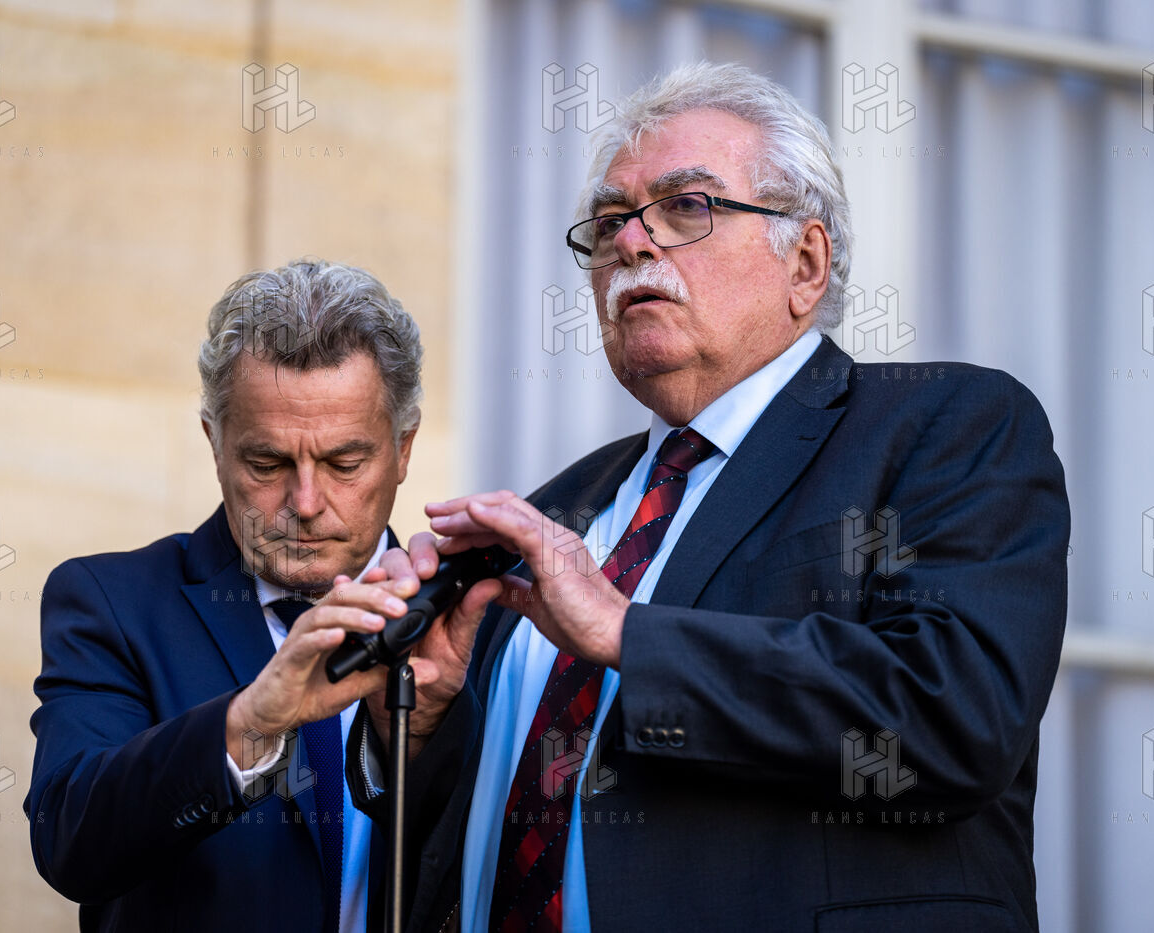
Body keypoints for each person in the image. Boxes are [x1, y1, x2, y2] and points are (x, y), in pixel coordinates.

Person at [351, 62, 1070, 932]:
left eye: (686, 206)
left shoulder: (947, 425)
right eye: (610, 221)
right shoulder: (559, 509)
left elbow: (954, 716)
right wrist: (419, 724)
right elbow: (459, 840)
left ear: (805, 262)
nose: (632, 243)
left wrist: (626, 633)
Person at [26, 258, 449, 932]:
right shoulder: (112, 602)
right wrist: (248, 724)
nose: (305, 503)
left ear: (403, 449)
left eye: (344, 464)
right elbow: (69, 840)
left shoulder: (463, 620)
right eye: (267, 463)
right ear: (215, 443)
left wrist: (423, 735)